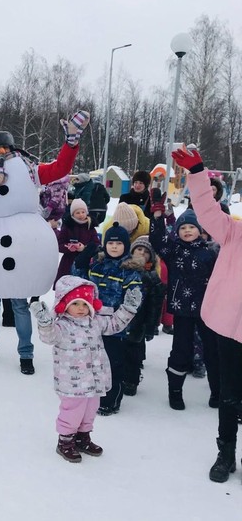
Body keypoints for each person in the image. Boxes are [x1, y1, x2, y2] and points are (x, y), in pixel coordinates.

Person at [0, 111, 89, 375]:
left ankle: (26, 353)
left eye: (5, 148)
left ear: (13, 148)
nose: (1, 153)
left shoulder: (28, 169)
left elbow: (59, 169)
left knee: (20, 303)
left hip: (22, 246)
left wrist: (71, 143)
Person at [172, 145, 242, 483]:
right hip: (229, 329)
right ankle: (225, 453)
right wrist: (198, 172)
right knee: (229, 394)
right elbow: (206, 210)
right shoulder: (234, 233)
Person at [32, 276, 141, 462]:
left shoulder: (96, 322)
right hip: (71, 381)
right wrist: (44, 322)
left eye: (85, 303)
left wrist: (128, 308)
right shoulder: (61, 326)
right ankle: (65, 440)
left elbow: (115, 324)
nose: (81, 308)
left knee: (91, 409)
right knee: (73, 411)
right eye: (76, 304)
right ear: (64, 304)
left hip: (95, 378)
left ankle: (83, 437)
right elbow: (49, 337)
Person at [149, 202, 220, 411]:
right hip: (182, 310)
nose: (187, 231)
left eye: (191, 227)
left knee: (212, 351)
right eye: (183, 228)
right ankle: (175, 392)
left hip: (208, 311)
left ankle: (217, 392)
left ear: (200, 230)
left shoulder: (210, 253)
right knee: (180, 350)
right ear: (177, 232)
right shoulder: (173, 251)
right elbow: (156, 240)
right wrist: (158, 218)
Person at [72, 222, 143, 415]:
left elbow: (134, 299)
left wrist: (122, 318)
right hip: (93, 324)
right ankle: (92, 393)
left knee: (112, 364)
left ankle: (111, 400)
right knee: (92, 361)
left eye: (118, 244)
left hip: (115, 326)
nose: (114, 247)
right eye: (110, 243)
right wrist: (82, 260)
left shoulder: (129, 271)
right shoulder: (98, 265)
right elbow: (79, 282)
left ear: (125, 246)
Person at [122, 236, 164, 396]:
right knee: (120, 350)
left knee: (134, 353)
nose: (141, 253)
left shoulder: (152, 277)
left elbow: (155, 304)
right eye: (139, 249)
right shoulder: (124, 269)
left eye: (146, 252)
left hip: (139, 321)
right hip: (121, 318)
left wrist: (152, 325)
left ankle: (132, 381)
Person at [54, 199, 100, 288]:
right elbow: (59, 245)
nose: (81, 215)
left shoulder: (91, 227)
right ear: (72, 214)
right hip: (68, 263)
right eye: (77, 212)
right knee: (66, 290)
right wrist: (68, 247)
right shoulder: (67, 227)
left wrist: (85, 248)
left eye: (83, 212)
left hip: (85, 264)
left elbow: (97, 246)